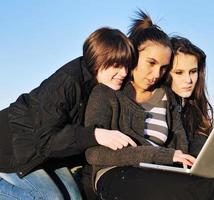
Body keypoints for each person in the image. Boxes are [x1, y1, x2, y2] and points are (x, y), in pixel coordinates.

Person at [83, 11, 214, 200]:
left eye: (163, 67)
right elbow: (95, 155)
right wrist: (165, 157)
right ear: (134, 56)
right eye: (151, 63)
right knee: (212, 192)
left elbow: (181, 147)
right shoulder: (106, 94)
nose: (156, 74)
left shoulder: (168, 98)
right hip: (116, 175)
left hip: (160, 173)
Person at [0, 27, 136, 199]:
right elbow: (46, 140)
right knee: (51, 198)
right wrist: (95, 135)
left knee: (74, 196)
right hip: (13, 147)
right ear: (97, 59)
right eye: (117, 65)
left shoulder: (100, 86)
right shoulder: (67, 82)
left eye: (126, 65)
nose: (124, 72)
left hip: (46, 155)